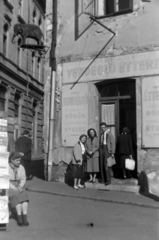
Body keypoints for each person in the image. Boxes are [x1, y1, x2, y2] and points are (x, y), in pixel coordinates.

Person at [9, 151, 29, 226]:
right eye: (17, 160)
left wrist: (20, 186)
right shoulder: (7, 167)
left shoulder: (21, 167)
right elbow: (5, 180)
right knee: (16, 195)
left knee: (24, 195)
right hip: (9, 185)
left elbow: (23, 179)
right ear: (12, 160)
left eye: (19, 160)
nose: (19, 162)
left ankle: (25, 218)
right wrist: (13, 187)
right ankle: (19, 218)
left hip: (18, 184)